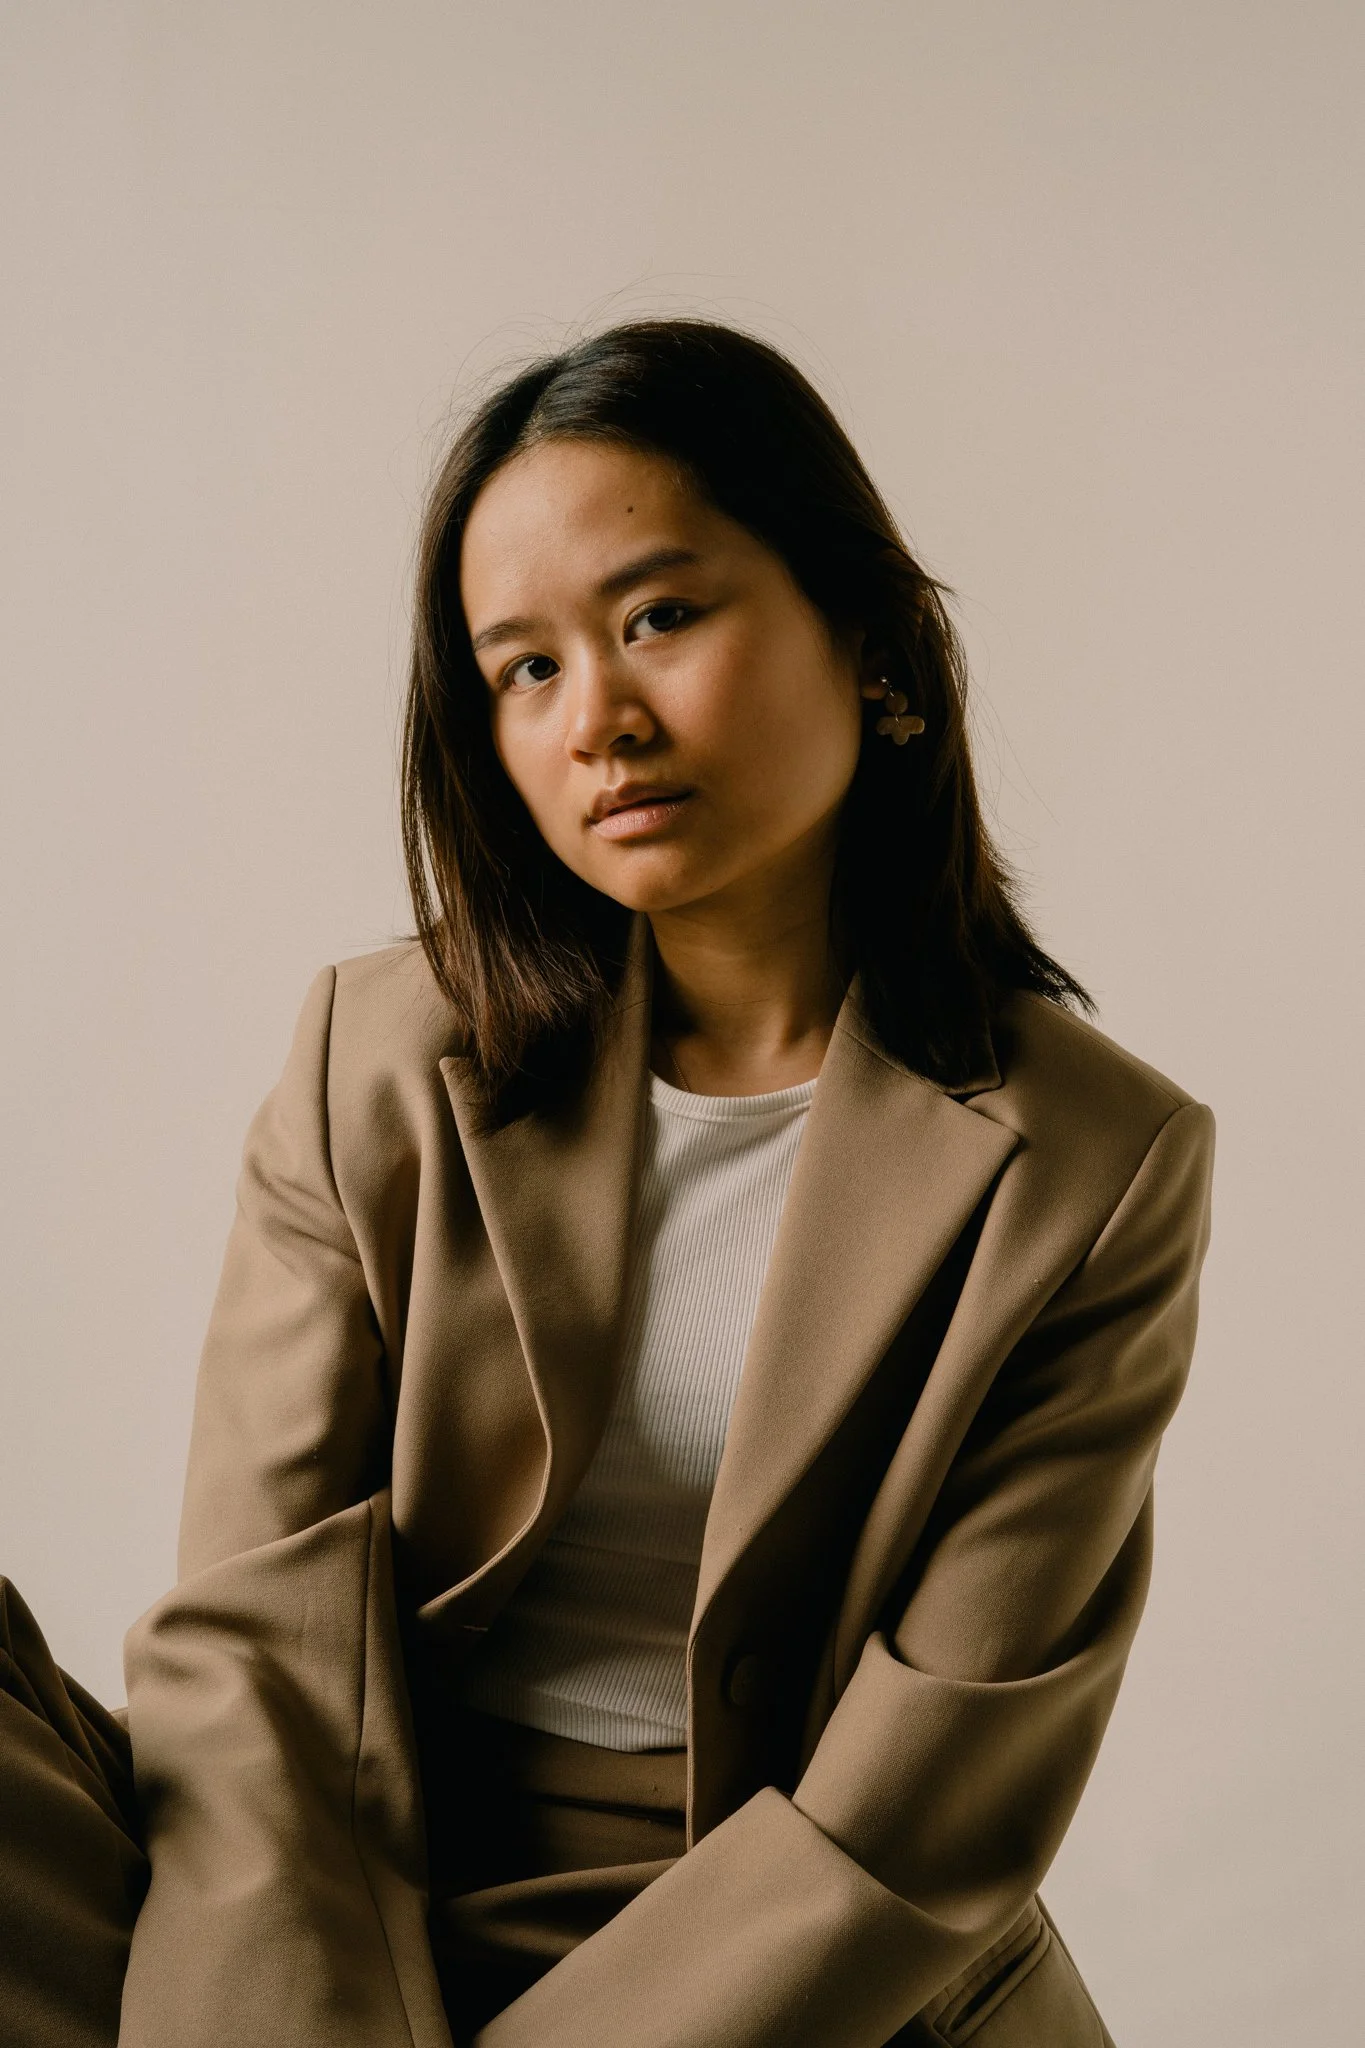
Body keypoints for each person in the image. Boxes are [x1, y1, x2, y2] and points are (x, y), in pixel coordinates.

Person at [0, 319, 1215, 2048]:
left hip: (780, 1953)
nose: (601, 720)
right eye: (526, 670)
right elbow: (257, 1652)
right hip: (352, 1875)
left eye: (659, 617)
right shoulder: (380, 1056)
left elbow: (920, 1811)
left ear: (867, 637)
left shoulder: (1092, 1165)